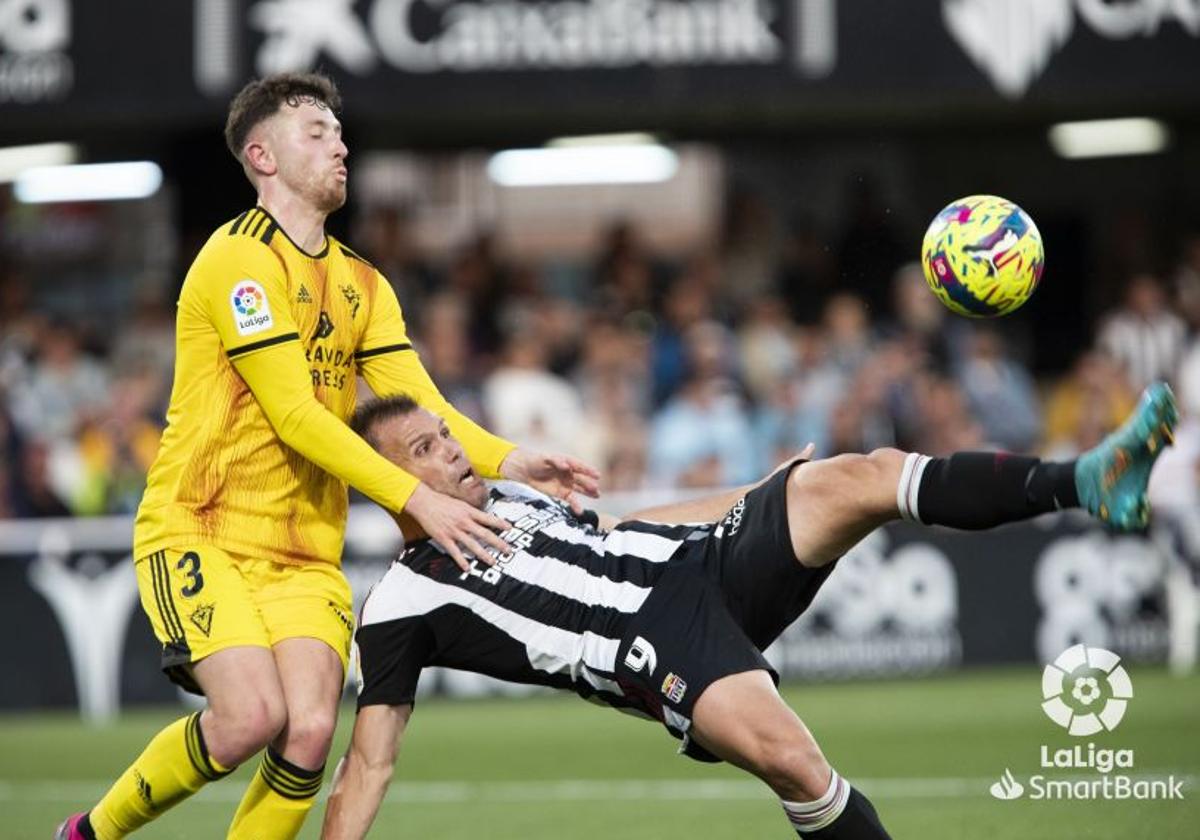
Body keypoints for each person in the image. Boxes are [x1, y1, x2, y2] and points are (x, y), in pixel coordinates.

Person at [56, 72, 597, 840]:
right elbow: (296, 415)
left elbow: (426, 408)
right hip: (201, 529)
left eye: (339, 132)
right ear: (262, 156)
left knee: (308, 736)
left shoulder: (362, 283)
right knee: (249, 718)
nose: (339, 144)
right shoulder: (237, 260)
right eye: (315, 131)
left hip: (305, 550)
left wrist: (512, 463)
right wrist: (417, 499)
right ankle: (87, 834)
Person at [321, 383, 1177, 839]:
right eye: (425, 448)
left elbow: (627, 529)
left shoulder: (511, 495)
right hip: (648, 640)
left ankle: (1085, 479)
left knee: (860, 473)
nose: (453, 450)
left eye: (446, 432)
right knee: (797, 764)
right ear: (384, 480)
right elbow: (368, 766)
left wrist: (759, 493)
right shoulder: (401, 601)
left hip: (702, 560)